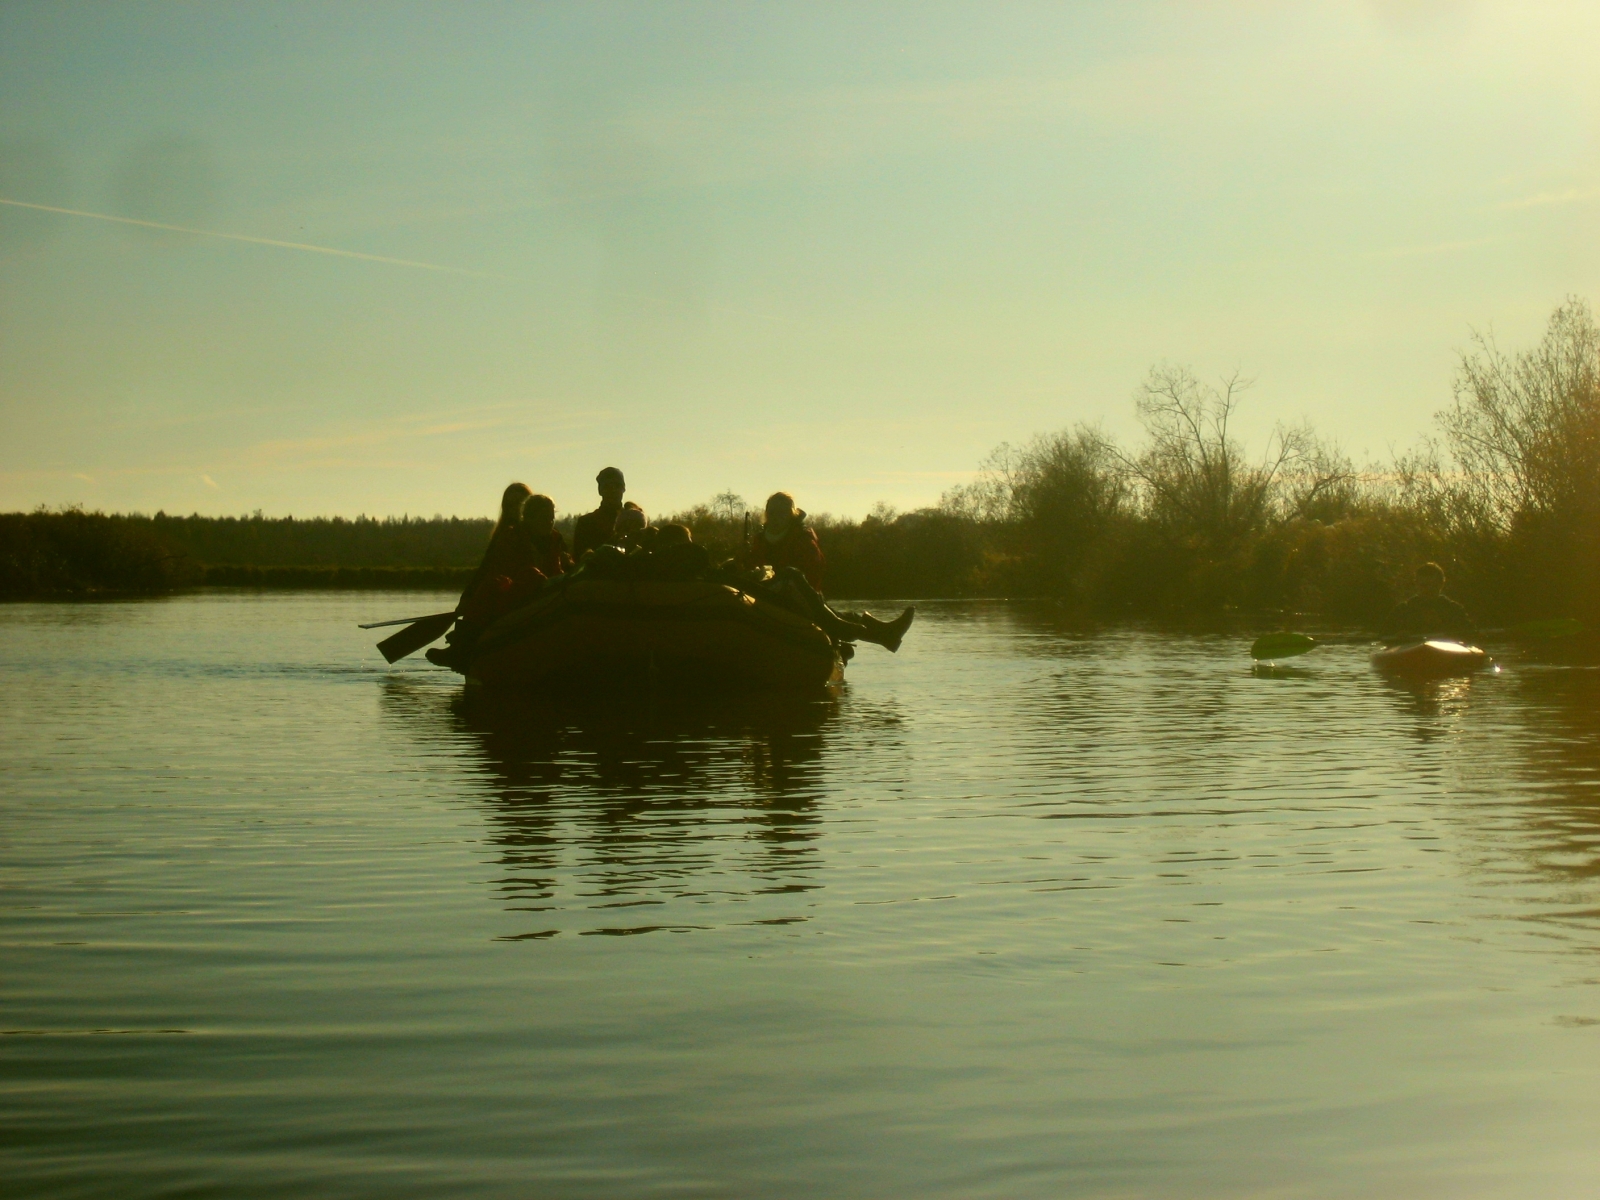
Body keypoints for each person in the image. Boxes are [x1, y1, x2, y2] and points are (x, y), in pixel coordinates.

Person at [746, 491, 825, 593]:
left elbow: (814, 576)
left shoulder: (803, 541)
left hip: (795, 598)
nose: (775, 517)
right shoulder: (759, 540)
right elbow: (750, 567)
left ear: (791, 515)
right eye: (772, 512)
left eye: (781, 512)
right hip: (761, 596)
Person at [1385, 562, 1475, 642]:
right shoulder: (1403, 610)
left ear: (1441, 584)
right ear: (1416, 584)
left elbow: (1471, 634)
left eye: (1433, 585)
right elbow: (1384, 636)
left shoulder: (1453, 609)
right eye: (1424, 585)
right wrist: (1397, 636)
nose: (1429, 589)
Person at [573, 467, 627, 559]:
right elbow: (578, 558)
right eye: (608, 487)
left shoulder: (634, 521)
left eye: (617, 486)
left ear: (623, 489)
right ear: (600, 490)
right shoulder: (586, 523)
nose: (613, 490)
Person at [522, 493, 572, 579]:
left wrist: (568, 563)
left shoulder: (556, 539)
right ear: (529, 518)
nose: (549, 522)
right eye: (544, 517)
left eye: (552, 518)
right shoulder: (515, 540)